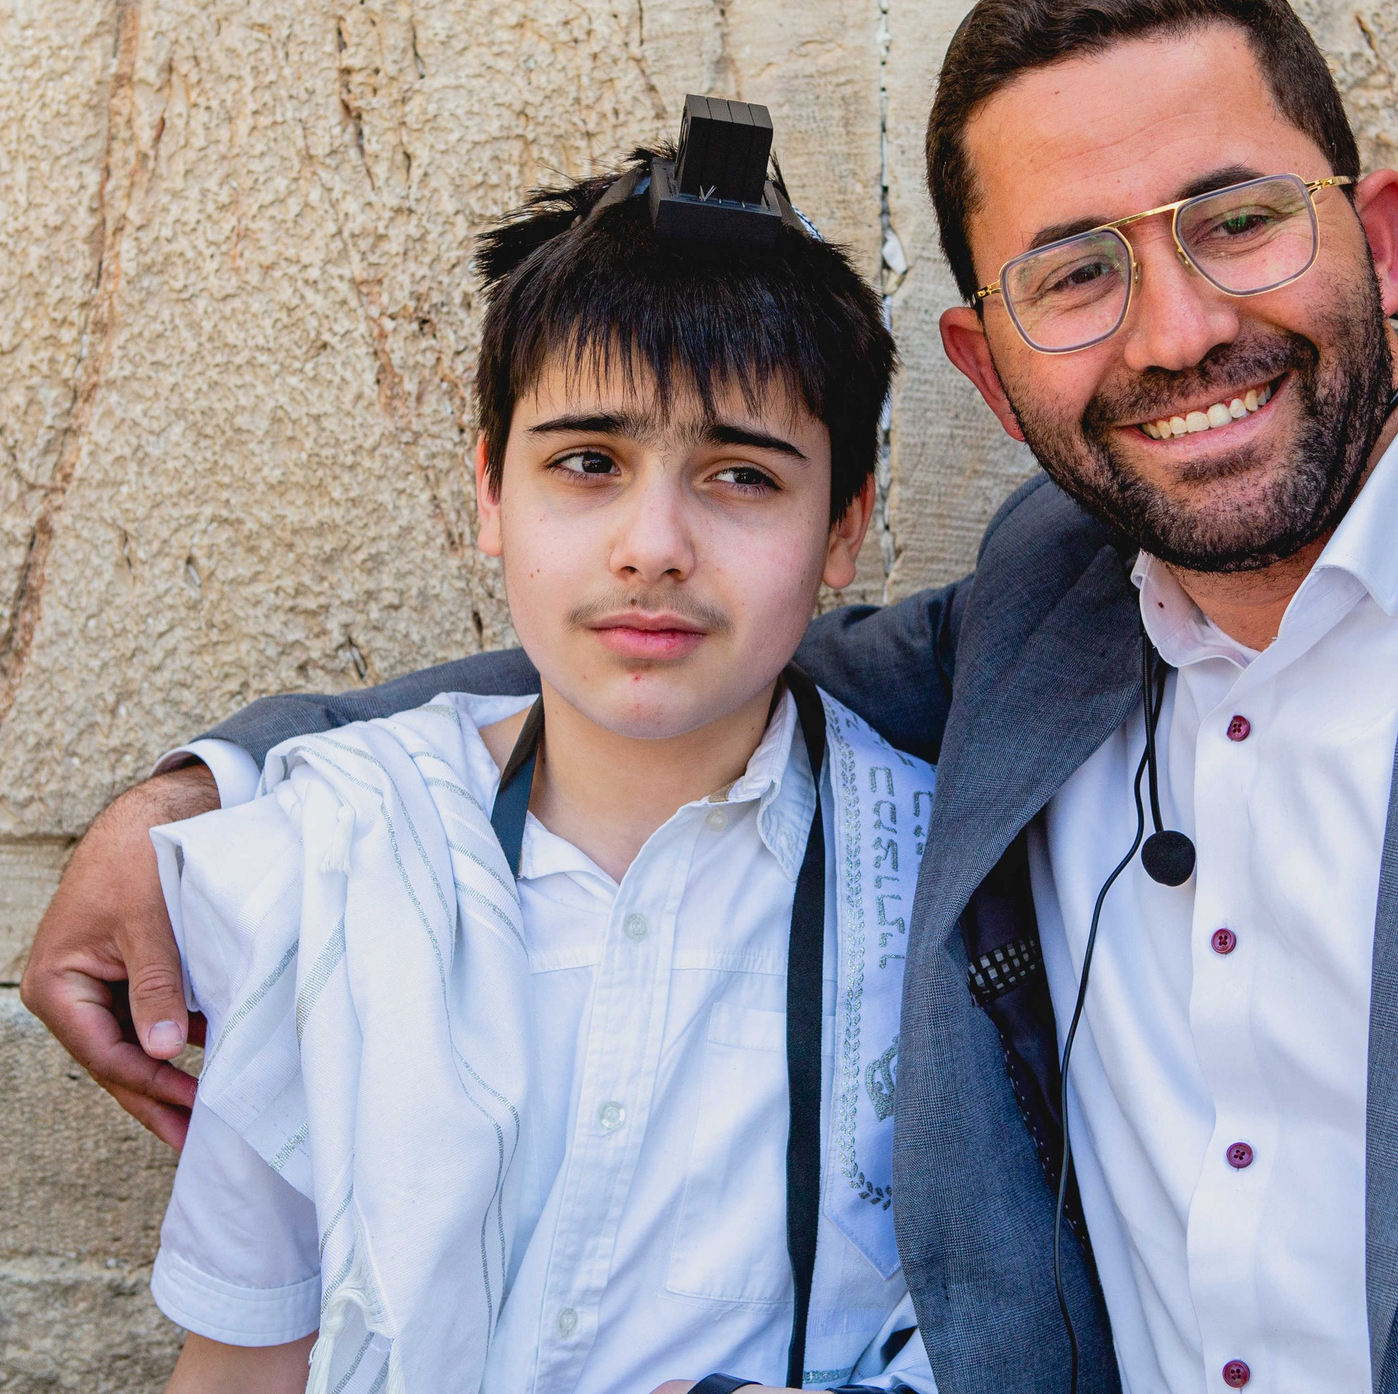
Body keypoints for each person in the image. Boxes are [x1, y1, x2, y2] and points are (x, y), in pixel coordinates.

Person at [27, 0, 1398, 1393]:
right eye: (1077, 270)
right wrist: (209, 787)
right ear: (992, 372)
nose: (1176, 326)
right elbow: (670, 648)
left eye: (1235, 222)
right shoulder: (1040, 614)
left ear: (1374, 224)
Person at [144, 112, 938, 1394]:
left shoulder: (950, 896)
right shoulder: (338, 856)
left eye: (741, 476)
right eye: (587, 461)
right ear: (489, 495)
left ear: (842, 530)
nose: (652, 545)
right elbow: (245, 1360)